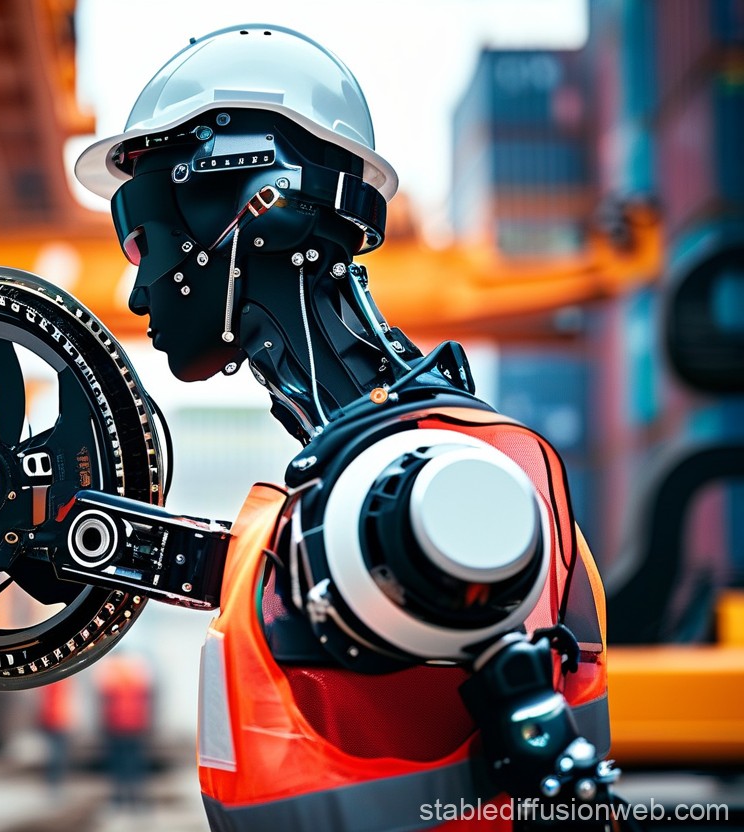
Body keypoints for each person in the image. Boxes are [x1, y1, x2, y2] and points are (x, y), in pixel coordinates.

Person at [74, 24, 616, 831]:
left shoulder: (453, 484)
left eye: (142, 237)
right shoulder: (374, 483)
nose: (141, 292)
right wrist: (80, 542)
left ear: (243, 200)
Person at [96, 648, 153, 811]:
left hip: (116, 725)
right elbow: (146, 697)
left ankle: (119, 799)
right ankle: (136, 799)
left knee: (118, 763)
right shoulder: (138, 670)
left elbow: (104, 698)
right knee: (135, 762)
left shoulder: (110, 671)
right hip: (135, 724)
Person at [38, 677, 75, 795]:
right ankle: (56, 785)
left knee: (56, 756)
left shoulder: (51, 682)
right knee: (57, 756)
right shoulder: (61, 680)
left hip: (56, 720)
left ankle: (56, 785)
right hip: (58, 721)